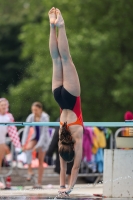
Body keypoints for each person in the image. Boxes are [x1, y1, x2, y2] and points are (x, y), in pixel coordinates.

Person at [48, 7, 83, 196]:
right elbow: (63, 170)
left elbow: (74, 168)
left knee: (66, 59)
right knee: (55, 60)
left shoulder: (76, 136)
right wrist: (63, 188)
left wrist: (70, 188)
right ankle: (51, 27)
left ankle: (60, 26)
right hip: (58, 97)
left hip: (71, 97)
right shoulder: (62, 139)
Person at [22, 102, 50, 188]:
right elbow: (26, 130)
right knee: (27, 148)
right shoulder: (31, 117)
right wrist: (23, 143)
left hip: (43, 140)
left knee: (40, 161)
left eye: (36, 110)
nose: (34, 112)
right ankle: (30, 171)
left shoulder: (45, 117)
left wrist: (37, 147)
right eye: (33, 110)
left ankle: (39, 182)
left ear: (40, 109)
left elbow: (44, 134)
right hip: (35, 137)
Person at [46, 117, 74, 185]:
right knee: (70, 170)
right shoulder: (75, 118)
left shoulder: (61, 120)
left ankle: (63, 186)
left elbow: (55, 136)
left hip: (63, 147)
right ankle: (70, 186)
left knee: (63, 168)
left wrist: (49, 152)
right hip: (73, 147)